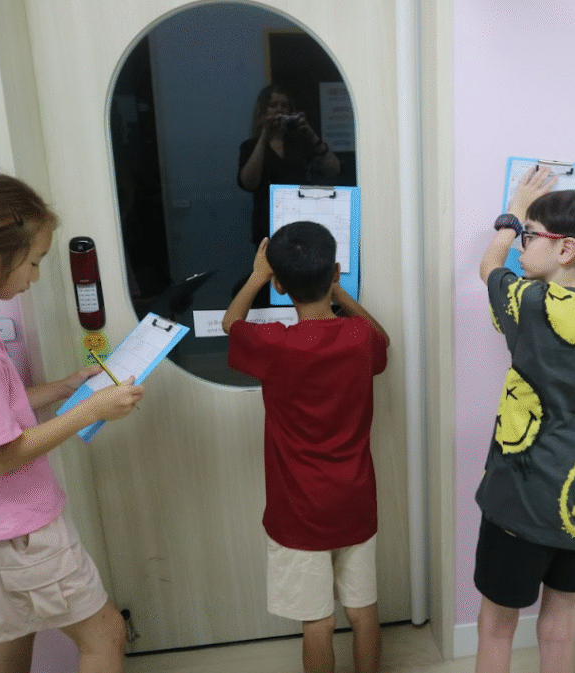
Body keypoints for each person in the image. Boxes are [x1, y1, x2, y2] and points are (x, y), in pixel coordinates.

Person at [0, 173, 145, 673]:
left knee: (13, 638)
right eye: (33, 262)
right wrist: (89, 411)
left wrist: (64, 388)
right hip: (19, 530)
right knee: (106, 634)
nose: (34, 277)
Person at [475, 166, 575, 673]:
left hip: (520, 501)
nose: (522, 243)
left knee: (496, 625)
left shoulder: (532, 302)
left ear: (566, 249)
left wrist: (512, 213)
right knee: (561, 623)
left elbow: (489, 267)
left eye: (531, 235)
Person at [222, 221, 389, 673]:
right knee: (363, 610)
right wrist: (341, 294)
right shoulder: (358, 338)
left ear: (278, 283)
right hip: (355, 499)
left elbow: (231, 323)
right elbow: (382, 339)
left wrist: (257, 276)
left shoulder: (273, 343)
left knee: (318, 621)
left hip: (298, 509)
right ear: (334, 271)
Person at [237, 84, 342, 247]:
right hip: (266, 230)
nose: (279, 110)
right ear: (263, 111)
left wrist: (309, 133)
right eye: (273, 105)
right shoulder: (251, 146)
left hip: (299, 227)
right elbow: (248, 183)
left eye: (284, 105)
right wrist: (264, 135)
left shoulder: (299, 143)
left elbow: (333, 169)